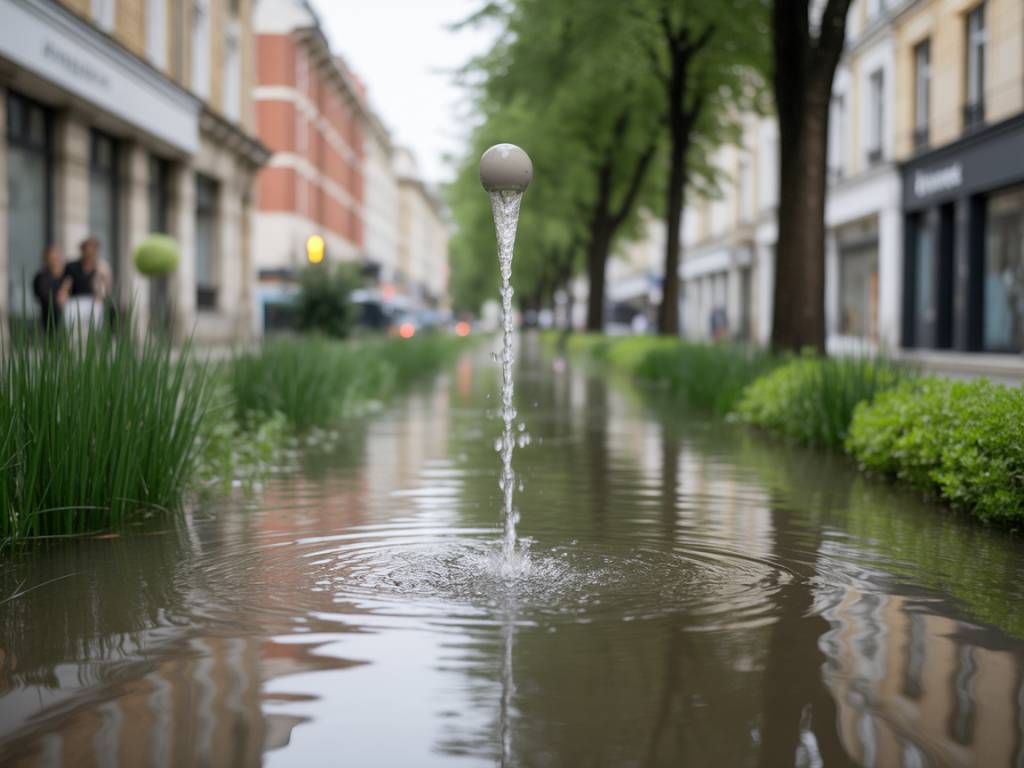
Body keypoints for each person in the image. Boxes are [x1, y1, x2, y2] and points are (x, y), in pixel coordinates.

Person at [64, 236, 112, 332]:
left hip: (94, 302)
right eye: (87, 250)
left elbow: (104, 289)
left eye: (93, 250)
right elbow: (66, 285)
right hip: (75, 301)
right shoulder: (72, 266)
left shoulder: (101, 267)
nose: (90, 253)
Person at [32, 244, 72, 333]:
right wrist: (59, 297)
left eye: (57, 258)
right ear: (46, 260)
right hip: (51, 320)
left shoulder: (68, 275)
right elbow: (43, 296)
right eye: (52, 259)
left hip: (72, 318)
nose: (55, 262)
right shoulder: (41, 277)